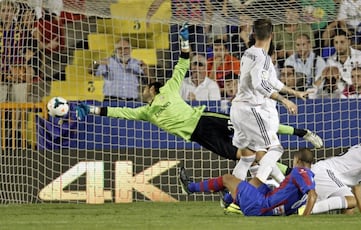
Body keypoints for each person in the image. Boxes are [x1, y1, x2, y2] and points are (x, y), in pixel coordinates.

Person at [75, 23, 323, 164]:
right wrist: (92, 109)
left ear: (153, 89)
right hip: (198, 135)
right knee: (240, 155)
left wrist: (185, 41)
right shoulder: (145, 112)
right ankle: (284, 172)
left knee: (251, 126)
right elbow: (119, 112)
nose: (142, 92)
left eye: (145, 88)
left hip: (205, 118)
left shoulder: (170, 88)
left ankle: (301, 134)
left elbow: (183, 62)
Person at [229, 18, 308, 188]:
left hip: (237, 109)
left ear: (254, 34)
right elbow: (260, 85)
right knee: (274, 149)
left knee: (248, 157)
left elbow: (272, 81)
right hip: (250, 110)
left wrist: (295, 93)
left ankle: (231, 198)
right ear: (272, 35)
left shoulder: (248, 52)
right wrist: (284, 100)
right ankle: (251, 190)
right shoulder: (262, 58)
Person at [179, 148, 317, 216]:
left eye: (293, 160)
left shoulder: (300, 172)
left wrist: (304, 219)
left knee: (227, 179)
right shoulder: (311, 177)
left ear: (298, 161)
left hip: (260, 206)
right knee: (260, 183)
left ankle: (190, 187)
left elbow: (313, 196)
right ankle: (229, 199)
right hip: (269, 206)